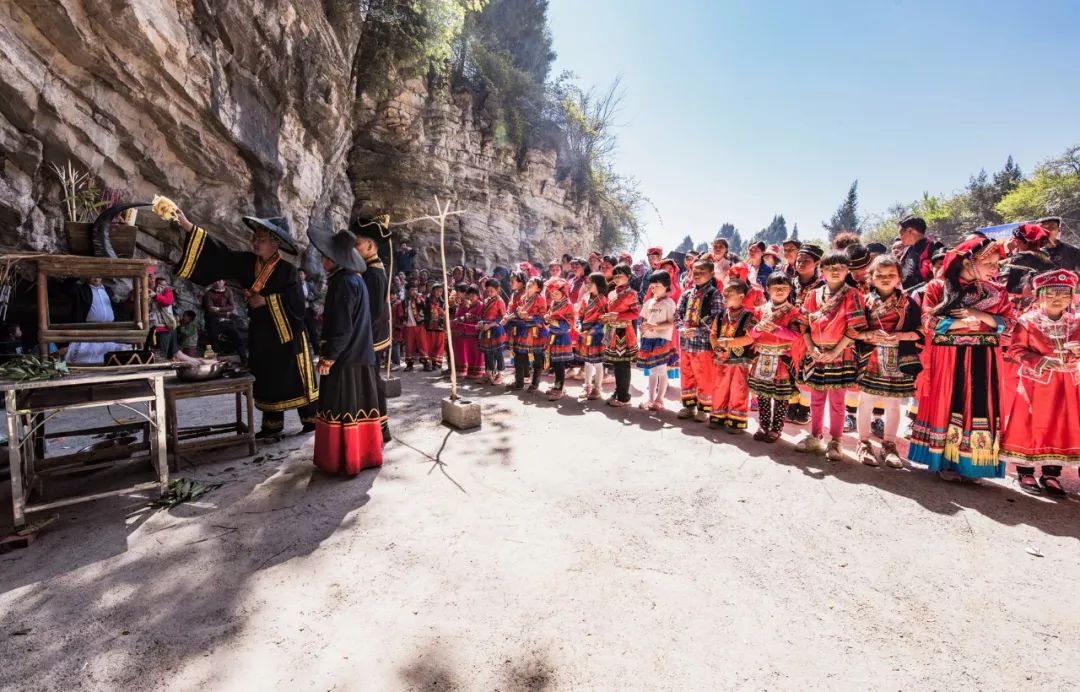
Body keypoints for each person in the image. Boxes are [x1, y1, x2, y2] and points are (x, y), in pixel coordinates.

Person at [173, 211, 318, 438]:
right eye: (255, 238)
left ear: (275, 244)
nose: (254, 242)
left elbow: (298, 307)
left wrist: (267, 301)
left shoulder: (288, 271)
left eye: (260, 239)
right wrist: (189, 227)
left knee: (294, 376)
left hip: (286, 334)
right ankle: (272, 425)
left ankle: (310, 420)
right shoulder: (246, 263)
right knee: (267, 376)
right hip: (261, 333)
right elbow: (220, 254)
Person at [908, 234, 1014, 482]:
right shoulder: (937, 287)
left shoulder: (997, 292)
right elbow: (927, 321)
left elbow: (1010, 326)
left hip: (984, 360)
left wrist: (977, 314)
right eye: (990, 264)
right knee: (949, 403)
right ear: (968, 262)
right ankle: (945, 461)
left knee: (979, 408)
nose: (995, 270)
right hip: (948, 359)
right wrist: (960, 323)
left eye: (997, 265)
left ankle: (974, 465)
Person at [308, 227, 383, 475]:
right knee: (357, 405)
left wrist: (329, 357)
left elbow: (341, 327)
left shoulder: (343, 282)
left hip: (345, 359)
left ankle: (344, 459)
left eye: (324, 256)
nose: (321, 260)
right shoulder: (354, 279)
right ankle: (362, 456)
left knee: (343, 407)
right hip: (359, 355)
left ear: (332, 259)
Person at [1001, 269, 1080, 496]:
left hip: (1067, 383)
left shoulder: (1076, 321)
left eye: (1065, 295)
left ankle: (1051, 474)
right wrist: (1041, 361)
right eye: (1053, 293)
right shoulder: (1027, 322)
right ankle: (1025, 471)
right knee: (1030, 424)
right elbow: (1015, 350)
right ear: (1039, 294)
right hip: (1036, 384)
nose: (1059, 299)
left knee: (1060, 425)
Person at [794, 251, 867, 460]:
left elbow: (855, 329)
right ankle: (815, 436)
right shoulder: (813, 295)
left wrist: (835, 351)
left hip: (841, 353)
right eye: (830, 267)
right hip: (815, 353)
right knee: (816, 398)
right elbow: (802, 324)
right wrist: (811, 349)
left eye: (840, 267)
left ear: (847, 270)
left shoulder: (853, 295)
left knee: (837, 400)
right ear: (822, 270)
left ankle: (836, 441)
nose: (835, 271)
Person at [852, 256, 923, 468]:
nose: (885, 278)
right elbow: (852, 331)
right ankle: (863, 442)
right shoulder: (863, 302)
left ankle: (889, 444)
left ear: (899, 277)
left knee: (894, 403)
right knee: (866, 401)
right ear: (871, 278)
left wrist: (900, 336)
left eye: (891, 275)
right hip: (871, 357)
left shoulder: (909, 304)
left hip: (899, 358)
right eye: (879, 275)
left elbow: (920, 332)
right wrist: (870, 334)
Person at [749, 273, 802, 442]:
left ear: (790, 290)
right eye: (776, 288)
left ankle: (776, 428)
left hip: (782, 360)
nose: (780, 291)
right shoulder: (759, 311)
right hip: (762, 357)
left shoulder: (794, 312)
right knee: (763, 395)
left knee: (781, 396)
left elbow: (796, 335)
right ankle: (763, 426)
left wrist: (776, 330)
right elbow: (750, 334)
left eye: (784, 288)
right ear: (767, 289)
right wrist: (758, 328)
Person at [353, 216, 393, 442]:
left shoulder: (374, 273)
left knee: (372, 381)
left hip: (372, 337)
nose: (354, 248)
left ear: (370, 246)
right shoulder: (369, 269)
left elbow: (374, 312)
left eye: (357, 244)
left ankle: (381, 427)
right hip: (370, 336)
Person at [676, 260, 723, 422]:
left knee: (704, 376)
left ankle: (704, 408)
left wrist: (697, 331)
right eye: (694, 271)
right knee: (686, 374)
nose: (697, 275)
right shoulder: (686, 294)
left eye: (701, 271)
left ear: (711, 274)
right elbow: (678, 314)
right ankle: (689, 406)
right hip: (686, 343)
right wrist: (681, 328)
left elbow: (716, 318)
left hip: (703, 345)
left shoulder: (714, 294)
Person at [709, 279, 757, 433]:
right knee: (719, 387)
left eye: (729, 294)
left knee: (739, 388)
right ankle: (718, 415)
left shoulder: (749, 315)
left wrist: (729, 343)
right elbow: (713, 334)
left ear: (741, 296)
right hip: (721, 359)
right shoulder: (721, 314)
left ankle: (736, 419)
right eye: (724, 294)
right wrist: (716, 347)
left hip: (739, 361)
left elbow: (750, 338)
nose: (725, 296)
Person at [788, 243, 824, 424]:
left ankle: (804, 408)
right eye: (799, 260)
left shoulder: (823, 286)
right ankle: (791, 404)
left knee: (807, 371)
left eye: (806, 260)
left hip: (812, 334)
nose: (801, 263)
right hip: (790, 334)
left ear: (817, 263)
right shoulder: (789, 282)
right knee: (790, 371)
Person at [63, 277, 131, 364]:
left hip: (109, 332)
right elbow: (66, 287)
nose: (96, 278)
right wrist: (78, 274)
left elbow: (120, 309)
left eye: (98, 275)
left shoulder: (108, 290)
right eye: (92, 275)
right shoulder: (81, 290)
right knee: (86, 357)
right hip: (88, 332)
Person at [636, 271, 677, 411]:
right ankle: (651, 399)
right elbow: (644, 319)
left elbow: (671, 323)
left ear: (666, 286)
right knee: (653, 371)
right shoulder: (649, 302)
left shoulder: (669, 303)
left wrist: (656, 327)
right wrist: (643, 328)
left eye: (657, 286)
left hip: (662, 340)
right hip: (649, 340)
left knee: (661, 370)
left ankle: (660, 399)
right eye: (652, 287)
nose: (654, 289)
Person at [601, 264, 641, 407]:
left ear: (629, 277)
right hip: (613, 331)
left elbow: (636, 313)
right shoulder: (612, 293)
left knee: (623, 365)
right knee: (616, 364)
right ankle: (618, 392)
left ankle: (624, 397)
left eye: (620, 275)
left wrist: (617, 315)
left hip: (624, 332)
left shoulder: (632, 294)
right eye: (615, 275)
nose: (617, 278)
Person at [509, 277, 548, 392]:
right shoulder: (522, 298)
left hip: (536, 333)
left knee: (537, 359)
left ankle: (535, 383)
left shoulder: (541, 299)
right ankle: (519, 382)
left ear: (538, 288)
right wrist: (516, 315)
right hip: (523, 331)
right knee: (519, 357)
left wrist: (528, 316)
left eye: (533, 283)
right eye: (529, 282)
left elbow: (543, 317)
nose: (529, 284)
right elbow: (517, 312)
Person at [577, 273, 609, 401]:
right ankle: (587, 386)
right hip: (584, 332)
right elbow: (580, 315)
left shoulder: (603, 300)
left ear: (599, 284)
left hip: (596, 334)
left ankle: (597, 388)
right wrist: (579, 326)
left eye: (591, 282)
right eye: (587, 282)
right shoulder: (585, 298)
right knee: (587, 362)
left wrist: (592, 331)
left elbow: (602, 321)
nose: (588, 285)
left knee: (598, 363)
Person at [201, 279, 247, 364]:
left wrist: (219, 309)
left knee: (237, 337)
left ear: (224, 282)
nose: (217, 283)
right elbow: (211, 310)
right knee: (212, 341)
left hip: (226, 320)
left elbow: (232, 307)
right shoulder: (209, 294)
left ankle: (244, 360)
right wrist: (226, 313)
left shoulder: (228, 291)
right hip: (213, 320)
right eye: (215, 281)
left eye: (219, 281)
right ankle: (213, 362)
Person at [543, 278, 575, 400]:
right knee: (555, 363)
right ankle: (558, 385)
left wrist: (553, 321)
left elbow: (569, 325)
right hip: (553, 337)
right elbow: (550, 317)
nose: (554, 296)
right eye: (552, 294)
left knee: (560, 364)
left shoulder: (568, 305)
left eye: (556, 294)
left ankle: (559, 388)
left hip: (562, 338)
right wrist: (547, 318)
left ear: (564, 292)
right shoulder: (553, 303)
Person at [898, 215, 943, 290]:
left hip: (928, 294)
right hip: (906, 297)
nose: (900, 237)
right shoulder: (907, 251)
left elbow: (941, 275)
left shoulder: (935, 247)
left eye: (901, 233)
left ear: (910, 231)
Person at [477, 278, 508, 385]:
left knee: (497, 353)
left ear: (497, 290)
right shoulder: (486, 300)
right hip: (486, 330)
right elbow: (482, 315)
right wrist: (481, 323)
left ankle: (500, 374)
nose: (489, 293)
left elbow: (503, 317)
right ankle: (489, 373)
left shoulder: (500, 301)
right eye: (488, 291)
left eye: (492, 291)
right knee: (487, 353)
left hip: (496, 330)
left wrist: (490, 325)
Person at [149, 275, 178, 359]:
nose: (163, 287)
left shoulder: (167, 291)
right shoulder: (150, 292)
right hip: (154, 327)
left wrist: (155, 296)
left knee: (163, 353)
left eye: (165, 285)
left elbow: (167, 302)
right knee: (157, 351)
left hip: (165, 327)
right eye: (161, 285)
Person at [421, 283, 447, 371]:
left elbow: (446, 315)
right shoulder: (426, 301)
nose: (438, 293)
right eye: (436, 290)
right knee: (428, 345)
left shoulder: (443, 302)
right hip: (429, 326)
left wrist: (443, 313)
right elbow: (423, 312)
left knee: (438, 345)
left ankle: (436, 363)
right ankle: (427, 363)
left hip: (439, 326)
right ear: (432, 291)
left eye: (440, 291)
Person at [401, 283, 424, 371]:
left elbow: (423, 306)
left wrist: (419, 299)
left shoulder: (420, 299)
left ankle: (426, 363)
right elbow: (402, 312)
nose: (414, 292)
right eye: (412, 290)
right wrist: (403, 319)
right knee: (409, 346)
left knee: (422, 344)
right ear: (408, 291)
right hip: (409, 326)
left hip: (419, 325)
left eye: (416, 290)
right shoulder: (404, 302)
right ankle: (409, 364)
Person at [297, 268, 320, 347]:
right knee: (300, 331)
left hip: (308, 310)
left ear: (305, 275)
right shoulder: (295, 286)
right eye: (298, 274)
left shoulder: (309, 285)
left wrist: (310, 297)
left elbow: (317, 295)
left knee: (312, 330)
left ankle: (316, 350)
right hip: (299, 311)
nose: (300, 276)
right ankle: (303, 350)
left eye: (301, 274)